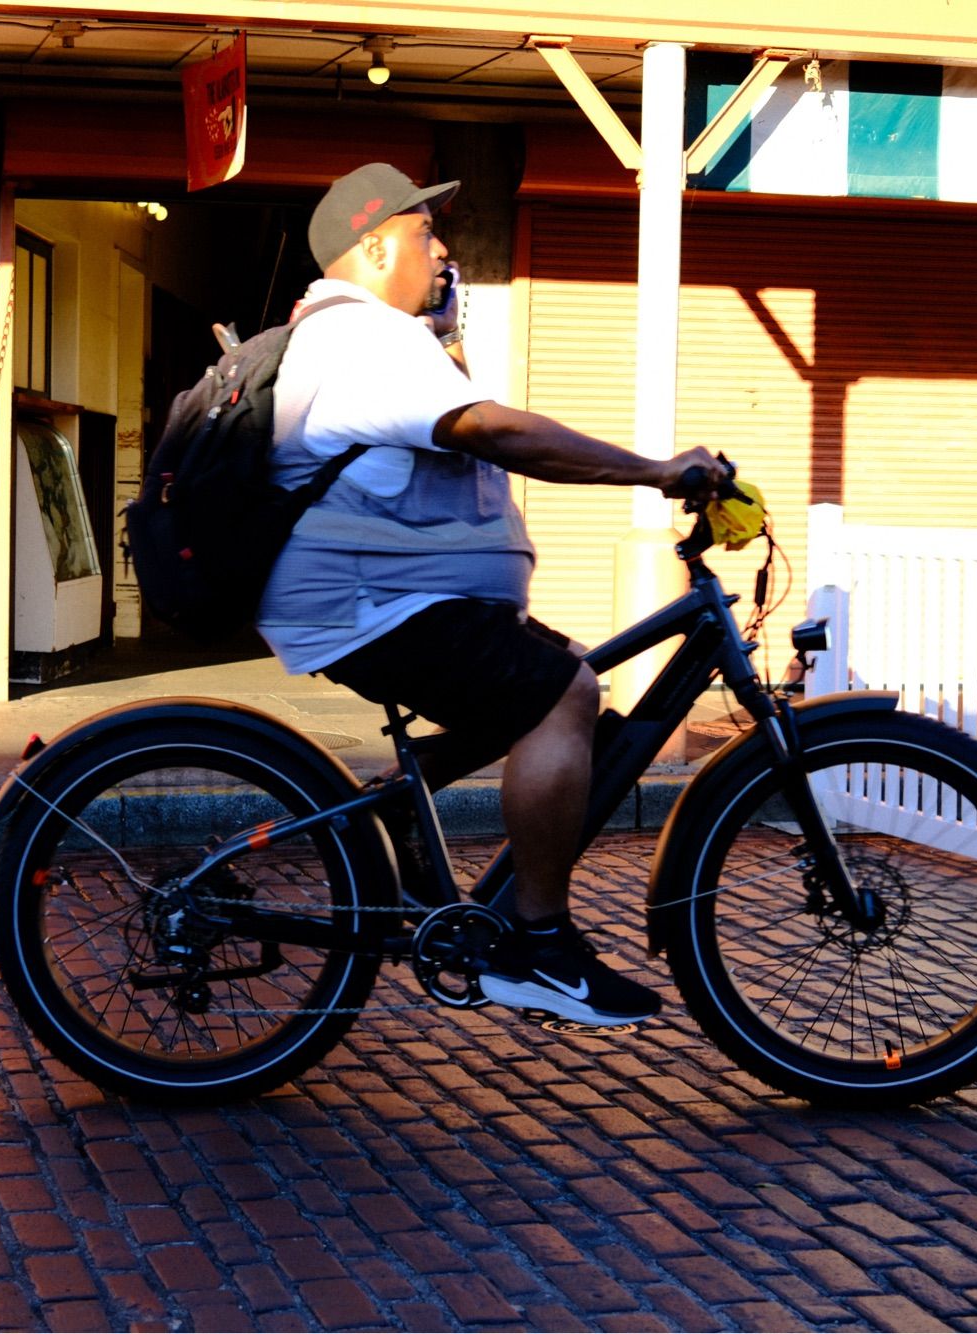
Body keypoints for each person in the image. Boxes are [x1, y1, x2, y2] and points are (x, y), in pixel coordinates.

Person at [257, 162, 720, 1026]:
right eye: (428, 234)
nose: (443, 251)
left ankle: (397, 802)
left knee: (566, 673)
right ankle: (537, 947)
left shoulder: (374, 340)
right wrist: (656, 471)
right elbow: (495, 431)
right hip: (374, 600)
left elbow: (446, 439)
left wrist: (444, 336)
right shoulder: (364, 340)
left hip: (392, 593)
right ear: (375, 243)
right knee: (564, 695)